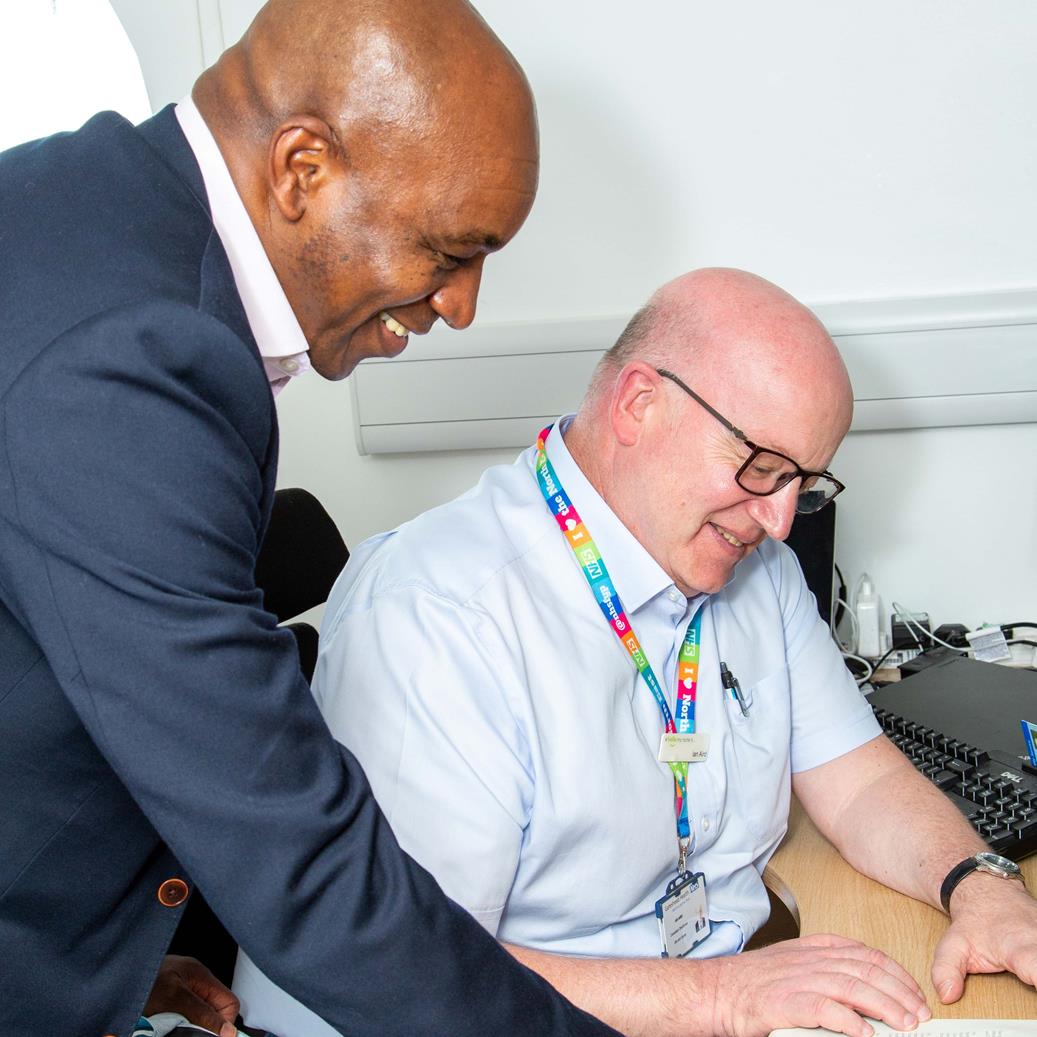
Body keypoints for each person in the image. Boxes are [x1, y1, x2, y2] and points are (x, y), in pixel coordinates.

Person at [0, 2, 621, 1036]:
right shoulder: (130, 354)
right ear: (302, 168)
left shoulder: (96, 215)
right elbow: (303, 860)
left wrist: (100, 963)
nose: (462, 305)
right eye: (450, 248)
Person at [237, 268, 1037, 1037]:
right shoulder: (438, 616)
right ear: (639, 404)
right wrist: (718, 999)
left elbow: (859, 782)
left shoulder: (757, 571)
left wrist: (980, 884)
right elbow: (416, 980)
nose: (780, 519)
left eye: (804, 481)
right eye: (760, 467)